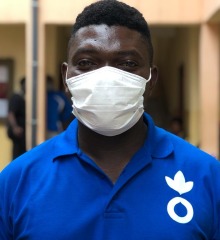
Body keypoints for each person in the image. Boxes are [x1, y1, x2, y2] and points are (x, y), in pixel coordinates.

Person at [0, 1, 220, 239]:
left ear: (151, 79)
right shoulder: (16, 182)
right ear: (66, 78)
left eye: (127, 64)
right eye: (86, 63)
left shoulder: (207, 176)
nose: (105, 77)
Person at [6, 77, 26, 159]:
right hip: (18, 132)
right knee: (17, 154)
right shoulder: (16, 97)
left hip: (23, 131)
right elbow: (11, 113)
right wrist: (15, 127)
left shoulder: (24, 97)